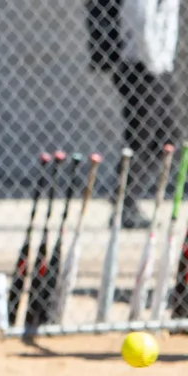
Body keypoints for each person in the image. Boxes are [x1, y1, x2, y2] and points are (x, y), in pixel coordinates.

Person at [87, 0, 180, 229]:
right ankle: (125, 202)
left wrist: (163, 64)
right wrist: (154, 63)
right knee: (141, 136)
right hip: (140, 67)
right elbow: (140, 20)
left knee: (167, 135)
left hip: (160, 67)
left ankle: (126, 193)